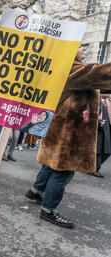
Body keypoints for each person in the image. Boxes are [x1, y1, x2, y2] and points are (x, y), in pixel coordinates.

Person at [26, 45, 111, 228]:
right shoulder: (71, 69)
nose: (83, 49)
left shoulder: (66, 68)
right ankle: (48, 210)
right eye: (79, 46)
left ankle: (35, 191)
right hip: (68, 134)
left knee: (50, 165)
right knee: (63, 171)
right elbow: (99, 74)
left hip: (60, 129)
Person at [92, 95, 111, 178]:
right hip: (100, 126)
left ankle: (93, 167)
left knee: (107, 151)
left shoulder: (107, 102)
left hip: (107, 127)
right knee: (98, 148)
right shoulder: (98, 99)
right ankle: (95, 168)